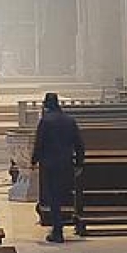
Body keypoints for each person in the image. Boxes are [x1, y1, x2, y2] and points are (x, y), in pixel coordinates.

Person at [31, 92, 84, 243]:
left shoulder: (45, 121)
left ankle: (57, 231)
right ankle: (59, 226)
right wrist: (79, 163)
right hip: (66, 163)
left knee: (53, 198)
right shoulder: (69, 121)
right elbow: (79, 144)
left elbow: (39, 143)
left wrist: (34, 161)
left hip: (49, 165)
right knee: (61, 196)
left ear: (46, 105)